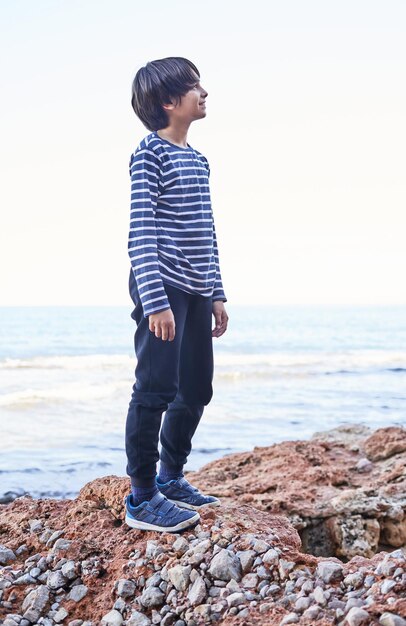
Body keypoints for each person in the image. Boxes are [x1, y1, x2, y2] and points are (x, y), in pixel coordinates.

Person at [123, 57, 229, 533]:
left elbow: (206, 230)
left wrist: (218, 293)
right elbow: (140, 232)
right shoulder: (150, 153)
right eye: (193, 88)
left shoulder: (199, 159)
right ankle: (142, 497)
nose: (204, 93)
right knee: (155, 389)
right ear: (168, 102)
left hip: (196, 287)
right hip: (161, 284)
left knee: (196, 389)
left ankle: (171, 477)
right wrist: (155, 300)